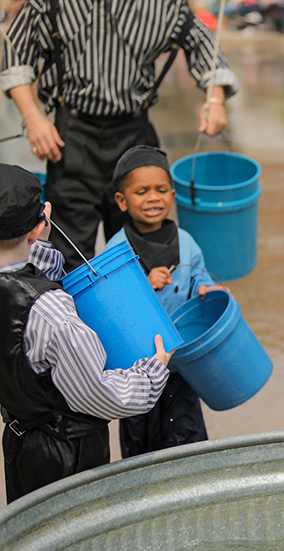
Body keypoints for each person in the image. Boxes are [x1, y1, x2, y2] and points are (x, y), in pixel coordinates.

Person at [0, 0, 239, 272]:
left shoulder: (163, 6)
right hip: (71, 136)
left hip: (135, 134)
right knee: (70, 254)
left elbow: (204, 45)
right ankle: (71, 313)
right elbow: (15, 55)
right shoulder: (48, 3)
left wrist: (215, 100)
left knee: (142, 249)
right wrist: (32, 117)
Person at [0, 164, 172, 504]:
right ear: (37, 228)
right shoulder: (54, 313)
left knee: (29, 539)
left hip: (18, 438)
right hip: (65, 453)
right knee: (73, 549)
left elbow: (19, 273)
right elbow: (97, 396)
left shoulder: (30, 296)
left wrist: (36, 237)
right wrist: (151, 372)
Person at [106, 146, 228, 459]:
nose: (153, 198)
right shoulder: (115, 250)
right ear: (122, 200)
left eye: (161, 190)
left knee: (187, 442)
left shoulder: (185, 241)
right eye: (141, 191)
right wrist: (144, 287)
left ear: (173, 195)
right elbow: (110, 309)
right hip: (137, 371)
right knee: (140, 450)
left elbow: (200, 276)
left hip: (183, 365)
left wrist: (208, 290)